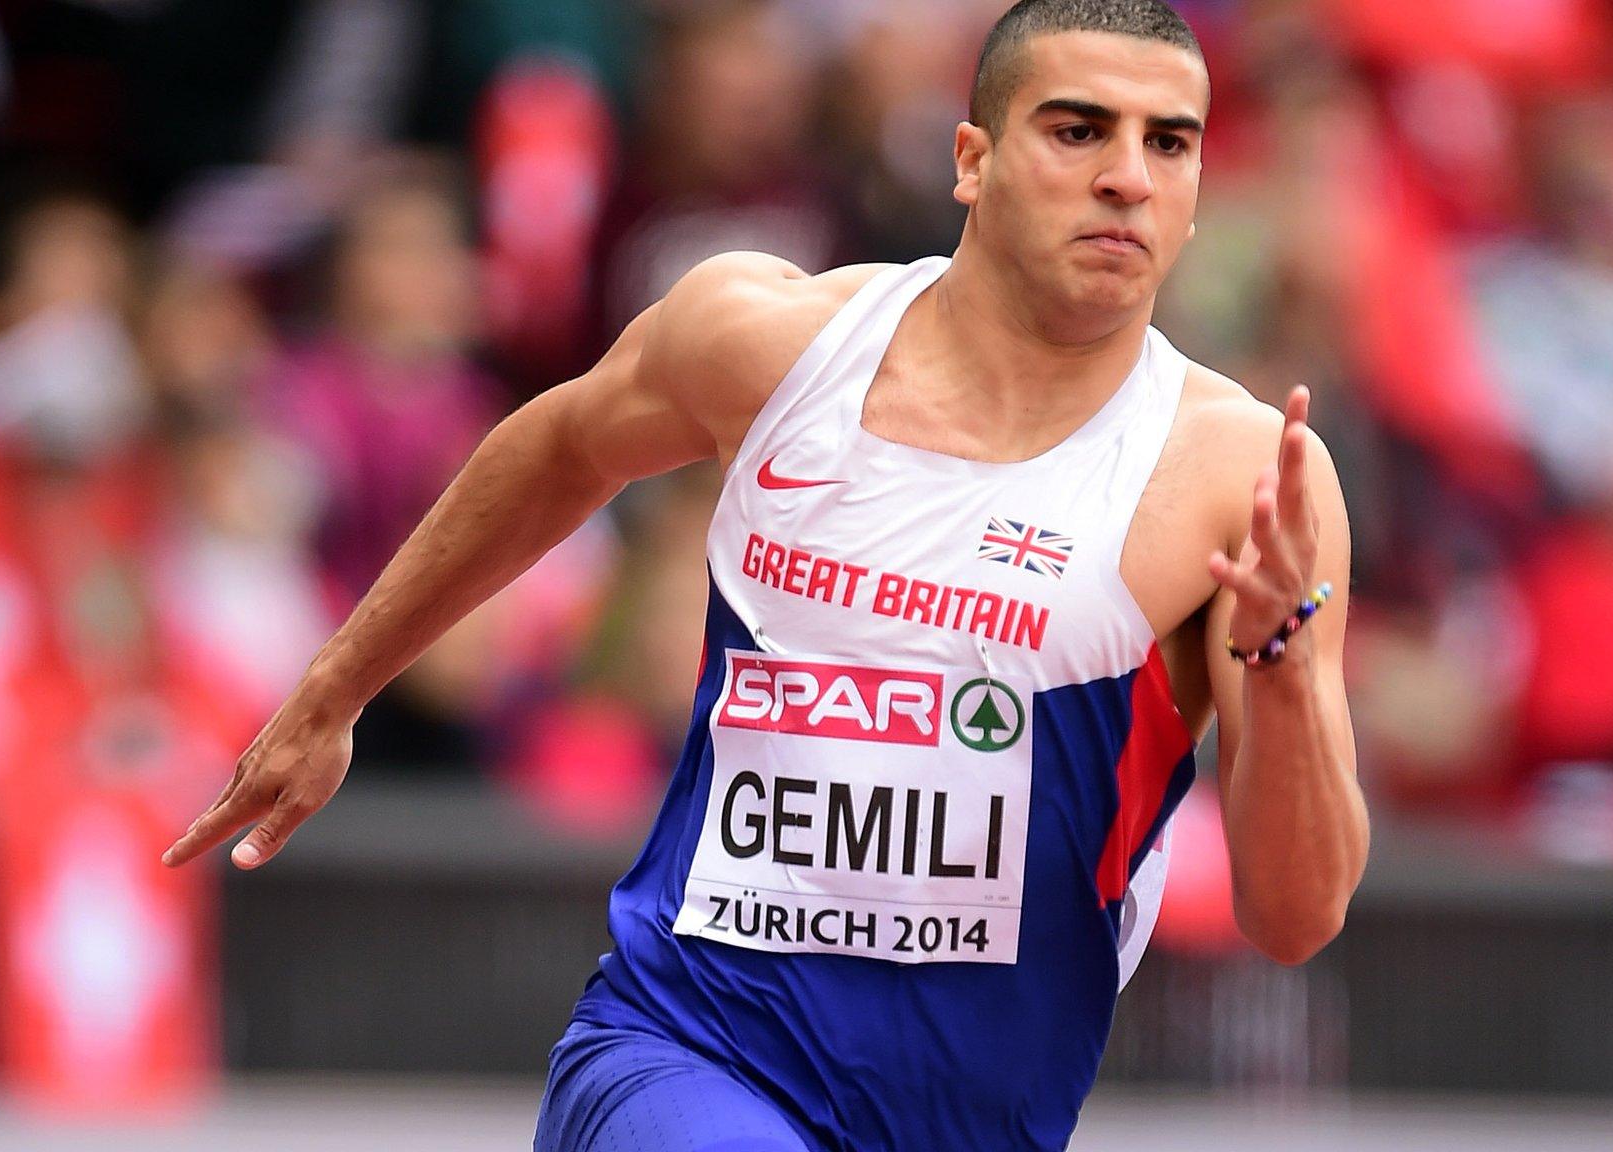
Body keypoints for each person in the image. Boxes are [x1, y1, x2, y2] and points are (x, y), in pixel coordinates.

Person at [163, 2, 1368, 1149]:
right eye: (1076, 129)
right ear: (971, 159)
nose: (1126, 175)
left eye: (1169, 143)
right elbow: (553, 451)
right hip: (682, 1049)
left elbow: (1295, 915)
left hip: (972, 1119)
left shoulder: (1241, 477)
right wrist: (335, 693)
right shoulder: (775, 343)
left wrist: (1281, 663)